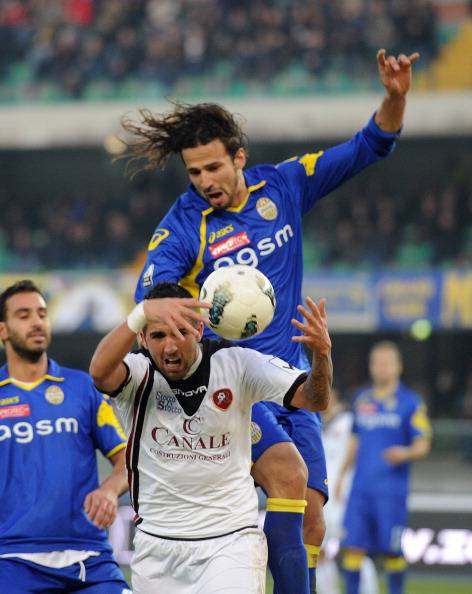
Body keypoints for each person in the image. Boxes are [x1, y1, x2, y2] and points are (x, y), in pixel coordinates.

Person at [122, 48, 419, 594]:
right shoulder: (185, 223)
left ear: (239, 157)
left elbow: (370, 145)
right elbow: (153, 293)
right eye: (194, 172)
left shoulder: (284, 186)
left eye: (213, 167)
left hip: (291, 378)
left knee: (312, 518)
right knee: (288, 474)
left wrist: (395, 97)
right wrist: (170, 305)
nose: (204, 180)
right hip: (233, 385)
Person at [89, 281, 333, 594]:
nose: (170, 347)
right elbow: (99, 372)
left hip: (230, 544)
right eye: (158, 335)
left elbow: (314, 399)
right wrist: (141, 312)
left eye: (180, 332)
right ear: (142, 338)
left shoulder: (238, 365)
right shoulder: (136, 374)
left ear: (199, 329)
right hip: (156, 549)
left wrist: (322, 356)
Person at [0, 280, 131, 594]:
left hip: (90, 558)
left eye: (42, 314)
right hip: (12, 560)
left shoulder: (82, 388)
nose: (36, 322)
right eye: (23, 315)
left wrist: (110, 490)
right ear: (3, 330)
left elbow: (128, 460)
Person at [335, 341, 432, 594]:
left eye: (387, 363)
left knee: (392, 552)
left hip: (391, 492)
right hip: (360, 490)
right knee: (352, 548)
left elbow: (423, 444)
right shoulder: (361, 398)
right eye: (377, 362)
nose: (381, 367)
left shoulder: (410, 402)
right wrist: (341, 476)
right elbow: (355, 440)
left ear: (399, 366)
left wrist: (405, 453)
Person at [317, 388, 378, 594]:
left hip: (345, 494)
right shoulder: (314, 422)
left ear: (335, 394)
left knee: (354, 549)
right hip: (323, 497)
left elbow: (358, 449)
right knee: (320, 551)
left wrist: (344, 477)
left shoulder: (348, 420)